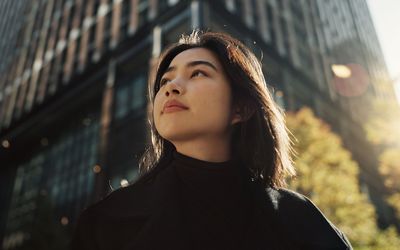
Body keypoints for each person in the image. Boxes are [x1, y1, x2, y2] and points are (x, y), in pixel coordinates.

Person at [71, 31, 352, 250]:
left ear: (241, 108)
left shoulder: (302, 222)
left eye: (198, 73)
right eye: (165, 81)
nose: (171, 88)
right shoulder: (106, 221)